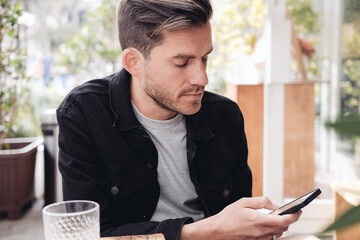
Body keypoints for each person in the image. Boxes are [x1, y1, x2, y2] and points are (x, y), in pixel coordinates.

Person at [57, 0, 301, 239]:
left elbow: (237, 222)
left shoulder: (226, 117)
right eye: (181, 63)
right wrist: (206, 231)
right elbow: (87, 235)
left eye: (204, 58)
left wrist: (255, 229)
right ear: (134, 63)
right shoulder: (84, 114)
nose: (202, 78)